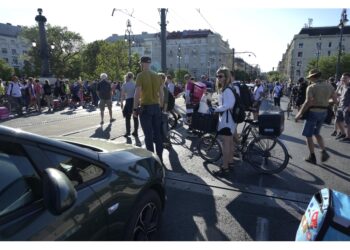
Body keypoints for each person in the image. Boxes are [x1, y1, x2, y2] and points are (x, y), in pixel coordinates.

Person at [295, 69, 337, 164]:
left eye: (310, 78)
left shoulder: (311, 87)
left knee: (308, 135)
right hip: (324, 112)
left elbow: (307, 102)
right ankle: (323, 151)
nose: (309, 79)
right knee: (317, 133)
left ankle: (312, 156)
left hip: (313, 112)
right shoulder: (329, 86)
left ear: (313, 77)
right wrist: (325, 102)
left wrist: (299, 114)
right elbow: (335, 101)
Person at [133, 56, 164, 163]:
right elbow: (161, 93)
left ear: (142, 64)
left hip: (146, 108)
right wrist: (161, 107)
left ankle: (152, 160)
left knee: (148, 136)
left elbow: (137, 93)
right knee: (158, 134)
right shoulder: (157, 76)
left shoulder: (140, 76)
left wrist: (135, 108)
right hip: (156, 107)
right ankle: (160, 158)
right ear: (149, 64)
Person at [212, 67, 236, 177]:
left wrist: (216, 109)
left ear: (226, 77)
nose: (218, 78)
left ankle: (225, 167)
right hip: (230, 120)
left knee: (226, 144)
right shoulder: (230, 88)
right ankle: (230, 162)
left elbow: (228, 105)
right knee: (230, 142)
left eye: (220, 76)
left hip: (227, 120)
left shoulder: (227, 90)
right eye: (217, 76)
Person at [120, 72, 139, 137]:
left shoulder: (125, 84)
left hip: (128, 101)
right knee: (135, 117)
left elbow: (122, 95)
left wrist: (121, 103)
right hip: (135, 100)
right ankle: (135, 132)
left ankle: (128, 132)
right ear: (132, 77)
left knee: (127, 118)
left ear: (127, 77)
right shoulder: (135, 84)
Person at [334, 72, 350, 142]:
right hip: (341, 105)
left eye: (345, 78)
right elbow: (337, 94)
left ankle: (348, 137)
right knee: (338, 120)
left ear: (349, 79)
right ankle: (343, 133)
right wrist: (339, 86)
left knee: (348, 122)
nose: (343, 79)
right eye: (342, 78)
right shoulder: (342, 86)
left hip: (347, 106)